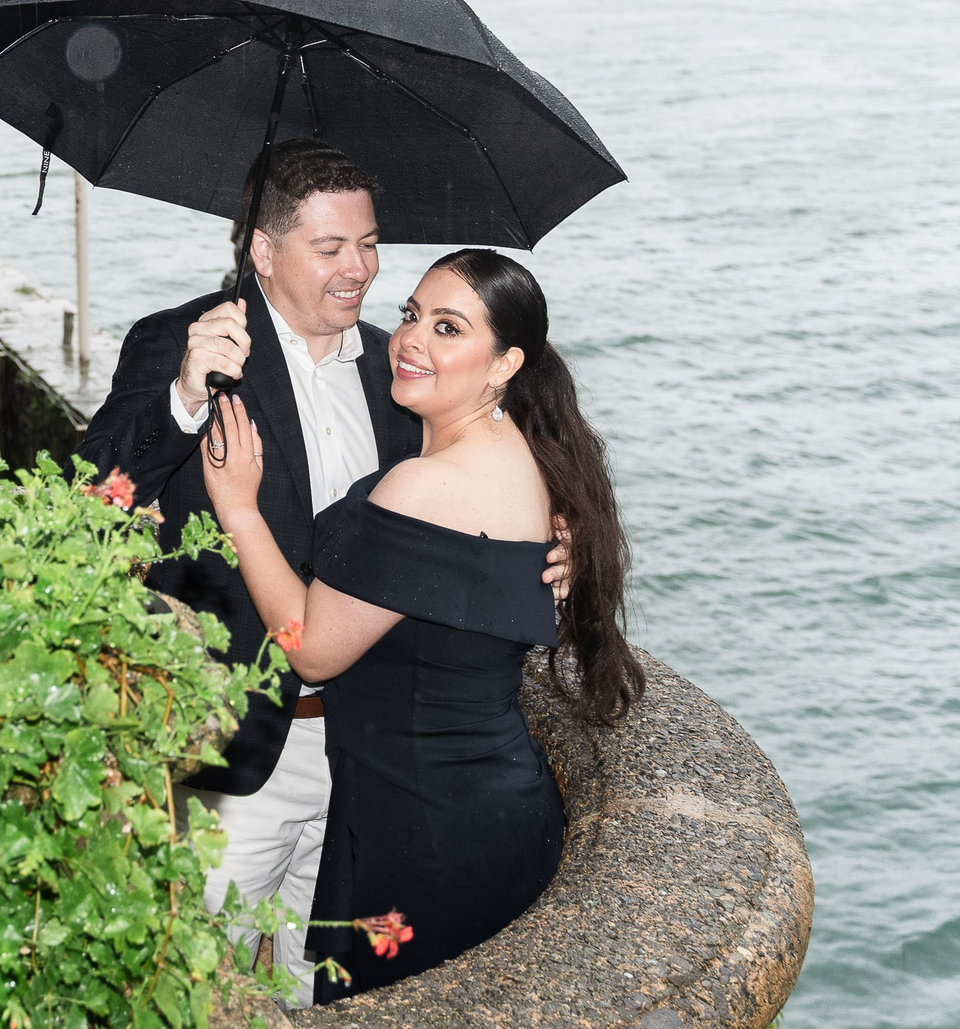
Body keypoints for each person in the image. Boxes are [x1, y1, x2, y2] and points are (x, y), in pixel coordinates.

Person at [75, 142, 569, 1001]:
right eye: (330, 247)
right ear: (264, 252)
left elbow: (467, 495)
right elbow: (86, 501)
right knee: (192, 985)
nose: (360, 269)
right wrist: (183, 400)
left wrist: (556, 539)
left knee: (323, 990)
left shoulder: (399, 365)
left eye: (370, 243)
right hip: (240, 746)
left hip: (372, 760)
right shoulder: (184, 344)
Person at [200, 248, 643, 1002]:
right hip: (477, 800)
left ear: (505, 362)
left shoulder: (427, 483)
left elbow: (312, 650)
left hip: (428, 822)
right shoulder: (523, 457)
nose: (410, 339)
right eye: (410, 314)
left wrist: (238, 505)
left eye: (448, 327)